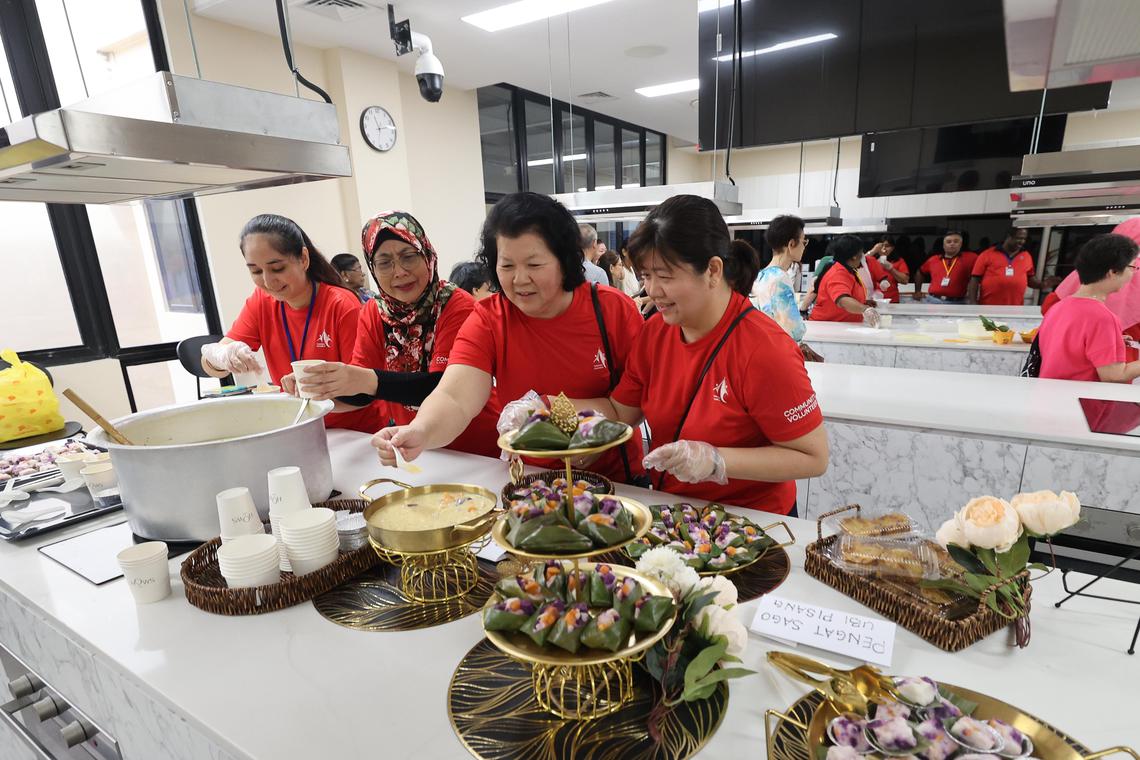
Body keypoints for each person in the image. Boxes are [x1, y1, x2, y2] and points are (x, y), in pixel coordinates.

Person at [562, 195, 828, 516]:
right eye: (646, 276)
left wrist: (716, 461)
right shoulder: (655, 333)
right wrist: (551, 410)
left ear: (713, 270)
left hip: (750, 520)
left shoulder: (765, 348)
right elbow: (622, 411)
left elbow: (813, 456)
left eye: (665, 275)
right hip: (675, 513)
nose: (652, 290)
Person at [371, 192, 646, 483]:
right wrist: (421, 430)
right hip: (533, 478)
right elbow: (455, 397)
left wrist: (553, 411)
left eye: (534, 265)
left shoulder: (612, 309)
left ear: (564, 260)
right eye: (507, 266)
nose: (519, 279)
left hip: (616, 481)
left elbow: (632, 405)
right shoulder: (489, 318)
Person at [281, 211, 499, 456]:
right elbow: (363, 395)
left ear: (427, 254)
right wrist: (323, 385)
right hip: (418, 447)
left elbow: (439, 386)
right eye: (384, 263)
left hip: (476, 449)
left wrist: (359, 379)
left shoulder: (457, 306)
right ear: (372, 268)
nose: (399, 272)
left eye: (409, 257)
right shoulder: (374, 312)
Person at [199, 214, 379, 432]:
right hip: (301, 427)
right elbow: (211, 365)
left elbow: (364, 391)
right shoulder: (262, 301)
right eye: (255, 271)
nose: (267, 281)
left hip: (355, 432)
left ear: (303, 258)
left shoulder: (341, 305)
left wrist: (311, 394)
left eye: (277, 268)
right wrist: (222, 356)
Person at [1038, 233, 1140, 383]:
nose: (1134, 273)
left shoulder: (1058, 307)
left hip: (1052, 398)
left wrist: (1110, 341)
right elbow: (1114, 376)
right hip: (1081, 404)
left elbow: (1070, 349)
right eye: (1132, 267)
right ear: (1113, 272)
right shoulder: (1103, 317)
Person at [750, 214, 824, 362]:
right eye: (804, 242)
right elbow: (793, 329)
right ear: (791, 244)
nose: (804, 247)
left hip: (760, 351)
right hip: (778, 355)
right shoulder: (780, 278)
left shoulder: (760, 276)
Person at [968, 228, 1058, 305]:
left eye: (1024, 239)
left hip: (1015, 307)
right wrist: (973, 303)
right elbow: (974, 279)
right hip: (988, 306)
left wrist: (1043, 284)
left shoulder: (1026, 256)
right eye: (1019, 238)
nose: (1022, 242)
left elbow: (1030, 279)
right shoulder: (987, 254)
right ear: (1009, 237)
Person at [809, 235, 881, 326]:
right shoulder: (838, 273)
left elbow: (848, 294)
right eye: (861, 252)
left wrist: (863, 302)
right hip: (827, 328)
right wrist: (865, 309)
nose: (863, 255)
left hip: (841, 326)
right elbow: (843, 300)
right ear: (855, 256)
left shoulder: (850, 270)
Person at [914, 231, 977, 303]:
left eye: (956, 241)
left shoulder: (971, 258)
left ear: (961, 244)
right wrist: (917, 291)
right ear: (944, 245)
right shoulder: (933, 259)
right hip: (933, 300)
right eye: (948, 242)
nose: (952, 244)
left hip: (957, 302)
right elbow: (920, 272)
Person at [865, 236, 910, 303]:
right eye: (881, 246)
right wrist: (873, 251)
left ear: (893, 248)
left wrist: (891, 269)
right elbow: (858, 263)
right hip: (873, 300)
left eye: (887, 246)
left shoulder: (898, 261)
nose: (884, 249)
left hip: (892, 300)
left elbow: (905, 280)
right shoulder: (871, 260)